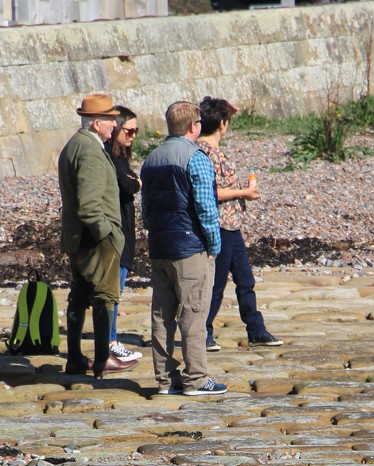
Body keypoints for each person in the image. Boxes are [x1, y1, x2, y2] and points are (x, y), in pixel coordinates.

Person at [140, 100, 227, 396]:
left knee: (162, 316)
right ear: (194, 126)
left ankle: (165, 380)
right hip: (189, 247)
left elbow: (146, 209)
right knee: (193, 313)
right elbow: (206, 208)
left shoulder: (151, 158)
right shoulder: (196, 157)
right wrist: (214, 245)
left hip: (160, 244)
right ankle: (196, 379)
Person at [57, 93, 139, 378]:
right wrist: (110, 236)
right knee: (105, 297)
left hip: (78, 237)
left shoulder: (75, 145)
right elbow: (89, 206)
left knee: (79, 296)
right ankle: (103, 359)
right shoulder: (90, 150)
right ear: (96, 123)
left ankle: (77, 358)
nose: (115, 123)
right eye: (110, 119)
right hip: (95, 241)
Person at [198, 96, 282, 351]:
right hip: (218, 226)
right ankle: (203, 332)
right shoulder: (204, 153)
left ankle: (256, 330)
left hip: (232, 226)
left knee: (245, 280)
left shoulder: (214, 149)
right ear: (222, 124)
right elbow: (208, 192)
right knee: (216, 284)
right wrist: (242, 193)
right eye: (228, 120)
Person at [105, 105, 144, 365]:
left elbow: (131, 180)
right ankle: (111, 343)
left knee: (115, 292)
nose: (132, 136)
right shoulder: (109, 155)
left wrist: (134, 181)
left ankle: (110, 342)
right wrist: (136, 182)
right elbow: (127, 183)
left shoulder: (120, 155)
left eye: (136, 131)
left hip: (124, 232)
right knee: (112, 293)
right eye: (129, 131)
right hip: (115, 234)